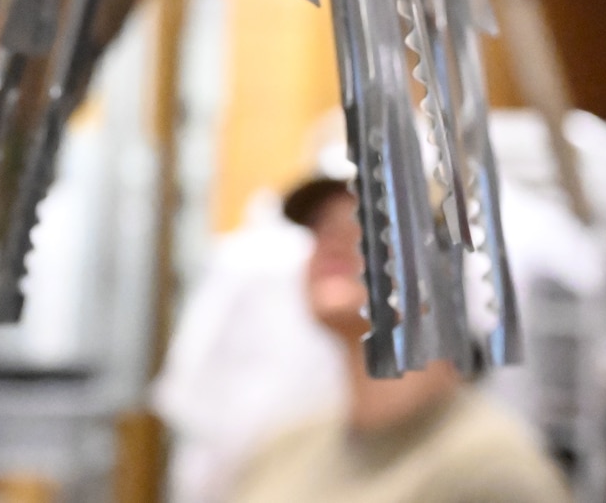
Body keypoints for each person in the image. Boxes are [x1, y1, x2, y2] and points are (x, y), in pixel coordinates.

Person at [228, 177, 573, 503]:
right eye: (321, 222)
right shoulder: (284, 447)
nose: (333, 236)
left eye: (370, 219)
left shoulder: (491, 472)